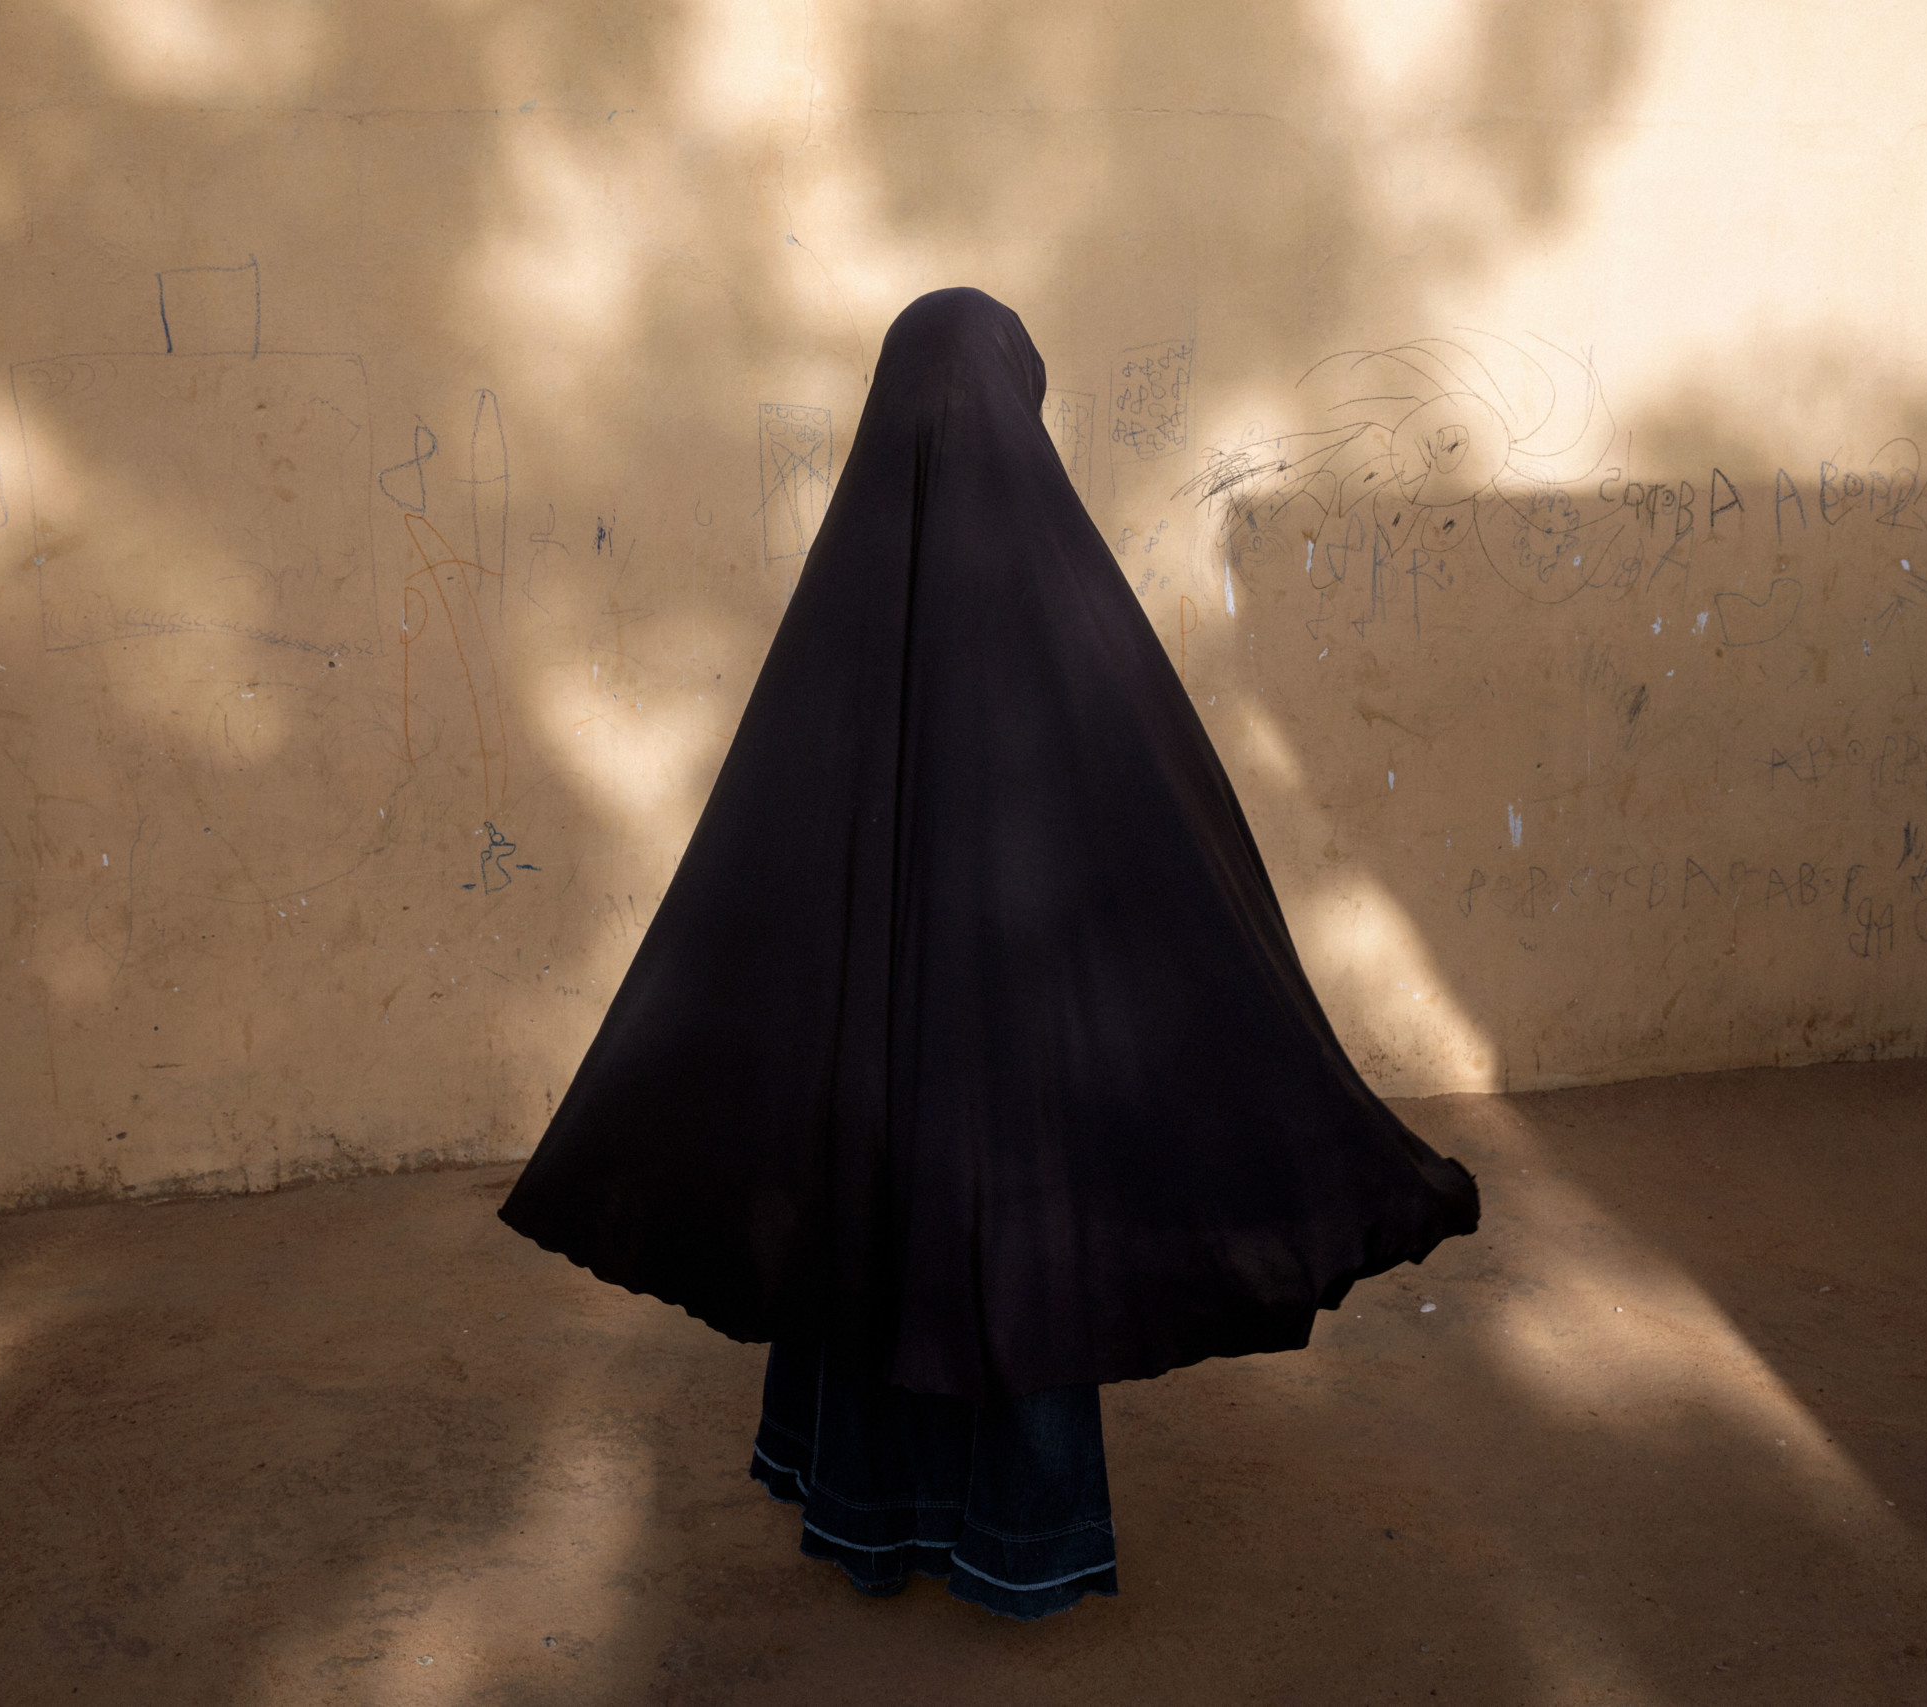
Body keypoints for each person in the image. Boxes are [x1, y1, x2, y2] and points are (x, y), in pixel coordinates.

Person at [500, 287, 1479, 1620]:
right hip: (1020, 1063)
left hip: (864, 1061)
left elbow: (763, 852)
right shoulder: (1069, 602)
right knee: (1015, 1257)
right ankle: (1018, 1544)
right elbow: (1164, 818)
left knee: (866, 1234)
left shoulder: (837, 615)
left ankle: (866, 1519)